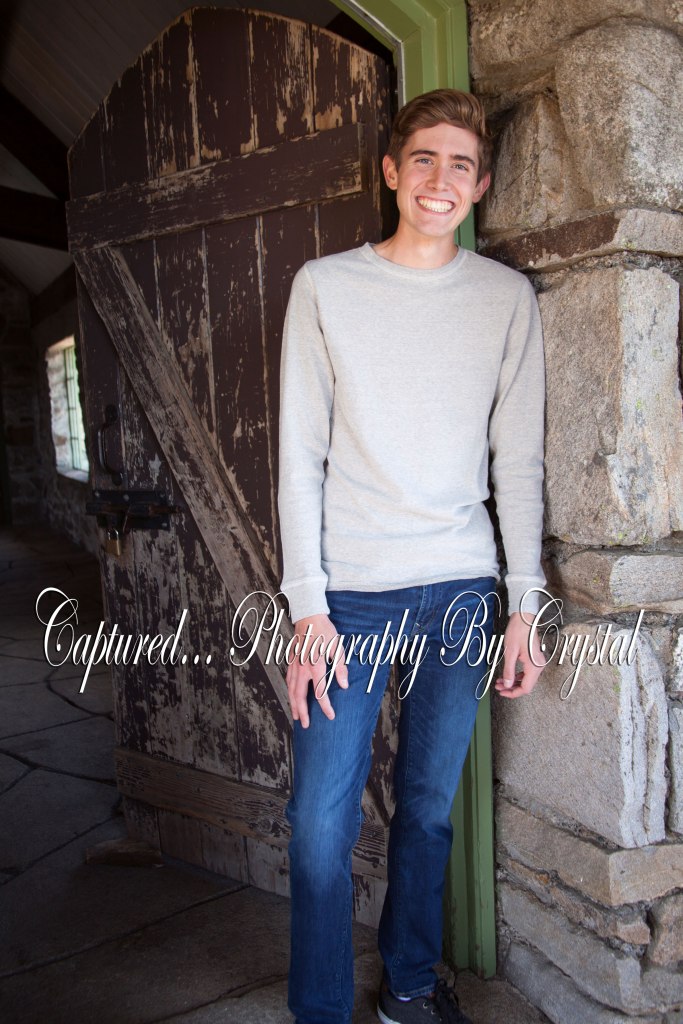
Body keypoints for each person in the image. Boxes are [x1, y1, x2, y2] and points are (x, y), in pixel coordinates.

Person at [277, 88, 546, 1024]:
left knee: (427, 810)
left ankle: (408, 988)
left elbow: (517, 461)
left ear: (479, 186)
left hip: (463, 592)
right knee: (319, 824)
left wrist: (525, 605)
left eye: (460, 164)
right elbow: (299, 456)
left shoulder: (504, 299)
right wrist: (305, 606)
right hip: (349, 598)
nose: (440, 179)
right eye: (422, 158)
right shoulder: (325, 287)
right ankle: (320, 1010)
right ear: (391, 171)